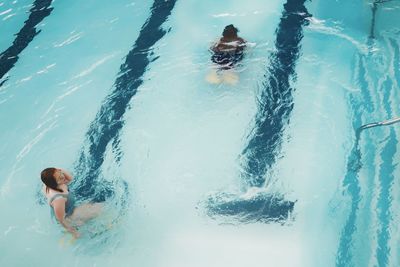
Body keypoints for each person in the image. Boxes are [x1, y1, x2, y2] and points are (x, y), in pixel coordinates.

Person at [41, 167, 102, 239]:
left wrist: (58, 171)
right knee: (99, 208)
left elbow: (70, 179)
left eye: (60, 173)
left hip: (69, 209)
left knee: (93, 206)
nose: (63, 176)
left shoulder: (50, 185)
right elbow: (61, 220)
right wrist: (73, 232)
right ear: (54, 183)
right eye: (59, 178)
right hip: (69, 217)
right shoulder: (58, 199)